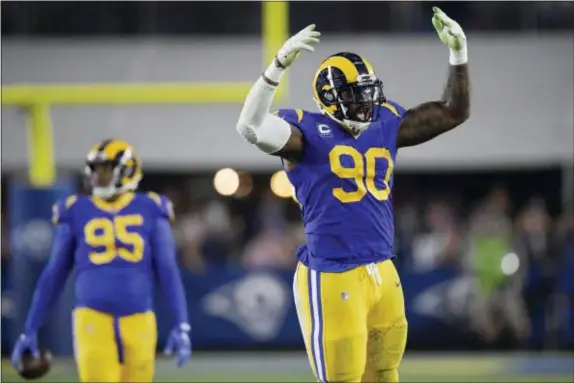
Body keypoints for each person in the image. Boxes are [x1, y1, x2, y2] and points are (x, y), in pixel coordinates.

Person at [236, 7, 470, 383]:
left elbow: (454, 111)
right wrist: (276, 66)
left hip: (382, 266)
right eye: (354, 95)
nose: (365, 103)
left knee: (384, 372)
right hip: (332, 273)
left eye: (367, 93)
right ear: (329, 97)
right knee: (344, 378)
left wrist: (458, 53)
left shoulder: (385, 122)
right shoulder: (305, 132)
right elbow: (249, 126)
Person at [11, 139, 192, 382]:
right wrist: (30, 328)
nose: (98, 177)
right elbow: (53, 275)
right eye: (95, 170)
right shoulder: (75, 209)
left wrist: (182, 323)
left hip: (139, 318)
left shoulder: (150, 207)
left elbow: (168, 271)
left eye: (105, 170)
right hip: (93, 317)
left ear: (127, 171)